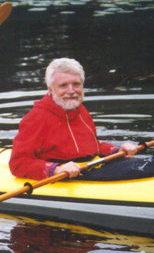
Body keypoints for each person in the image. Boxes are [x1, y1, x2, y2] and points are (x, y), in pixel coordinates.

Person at [9, 58, 137, 180]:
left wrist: (116, 151)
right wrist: (56, 169)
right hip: (62, 178)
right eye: (63, 85)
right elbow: (18, 163)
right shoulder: (35, 118)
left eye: (76, 84)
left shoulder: (81, 110)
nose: (71, 91)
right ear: (50, 89)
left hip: (87, 170)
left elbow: (92, 146)